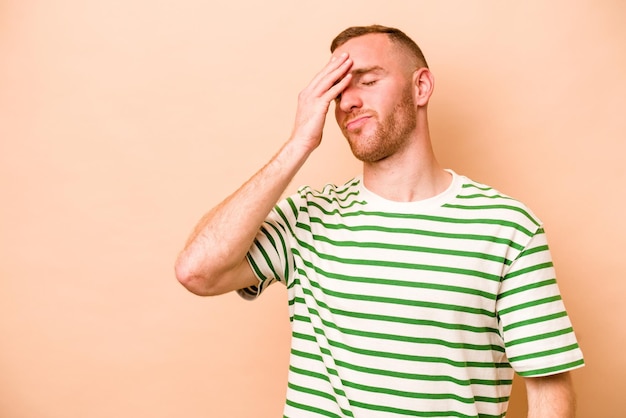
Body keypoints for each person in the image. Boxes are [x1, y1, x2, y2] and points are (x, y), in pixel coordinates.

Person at [175, 25, 584, 417]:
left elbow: (549, 389)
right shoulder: (308, 217)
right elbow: (197, 272)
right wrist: (299, 143)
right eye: (338, 92)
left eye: (367, 81)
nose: (348, 101)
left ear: (420, 87)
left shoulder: (507, 228)